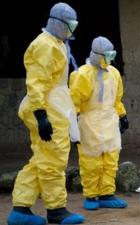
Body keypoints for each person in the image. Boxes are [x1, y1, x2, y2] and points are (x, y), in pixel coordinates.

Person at [7, 2, 85, 225]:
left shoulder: (58, 43)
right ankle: (56, 209)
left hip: (55, 105)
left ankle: (20, 210)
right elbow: (36, 82)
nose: (72, 29)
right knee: (54, 160)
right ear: (59, 23)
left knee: (42, 159)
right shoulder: (44, 45)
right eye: (70, 24)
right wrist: (41, 114)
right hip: (47, 107)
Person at [69, 36, 129, 211]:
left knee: (111, 159)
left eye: (112, 54)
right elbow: (74, 103)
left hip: (110, 120)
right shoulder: (82, 74)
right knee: (91, 161)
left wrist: (122, 115)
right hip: (89, 122)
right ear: (98, 54)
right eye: (108, 55)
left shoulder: (114, 73)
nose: (111, 59)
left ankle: (107, 194)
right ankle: (91, 195)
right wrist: (72, 128)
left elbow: (117, 98)